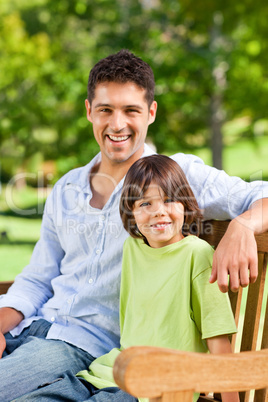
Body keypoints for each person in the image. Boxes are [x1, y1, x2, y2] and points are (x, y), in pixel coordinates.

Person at [0, 49, 267, 401]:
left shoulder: (175, 177)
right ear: (88, 112)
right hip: (30, 329)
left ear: (151, 113)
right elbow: (37, 279)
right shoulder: (66, 188)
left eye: (131, 110)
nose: (117, 124)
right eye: (106, 110)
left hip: (81, 347)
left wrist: (244, 226)